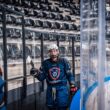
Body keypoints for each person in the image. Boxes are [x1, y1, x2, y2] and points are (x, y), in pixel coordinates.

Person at [30, 44, 77, 110]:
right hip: (51, 90)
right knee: (51, 107)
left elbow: (69, 75)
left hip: (62, 89)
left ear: (58, 51)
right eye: (51, 51)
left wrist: (72, 84)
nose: (53, 53)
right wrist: (36, 73)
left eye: (55, 51)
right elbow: (41, 77)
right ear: (49, 53)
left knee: (62, 107)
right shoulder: (45, 63)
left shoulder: (64, 61)